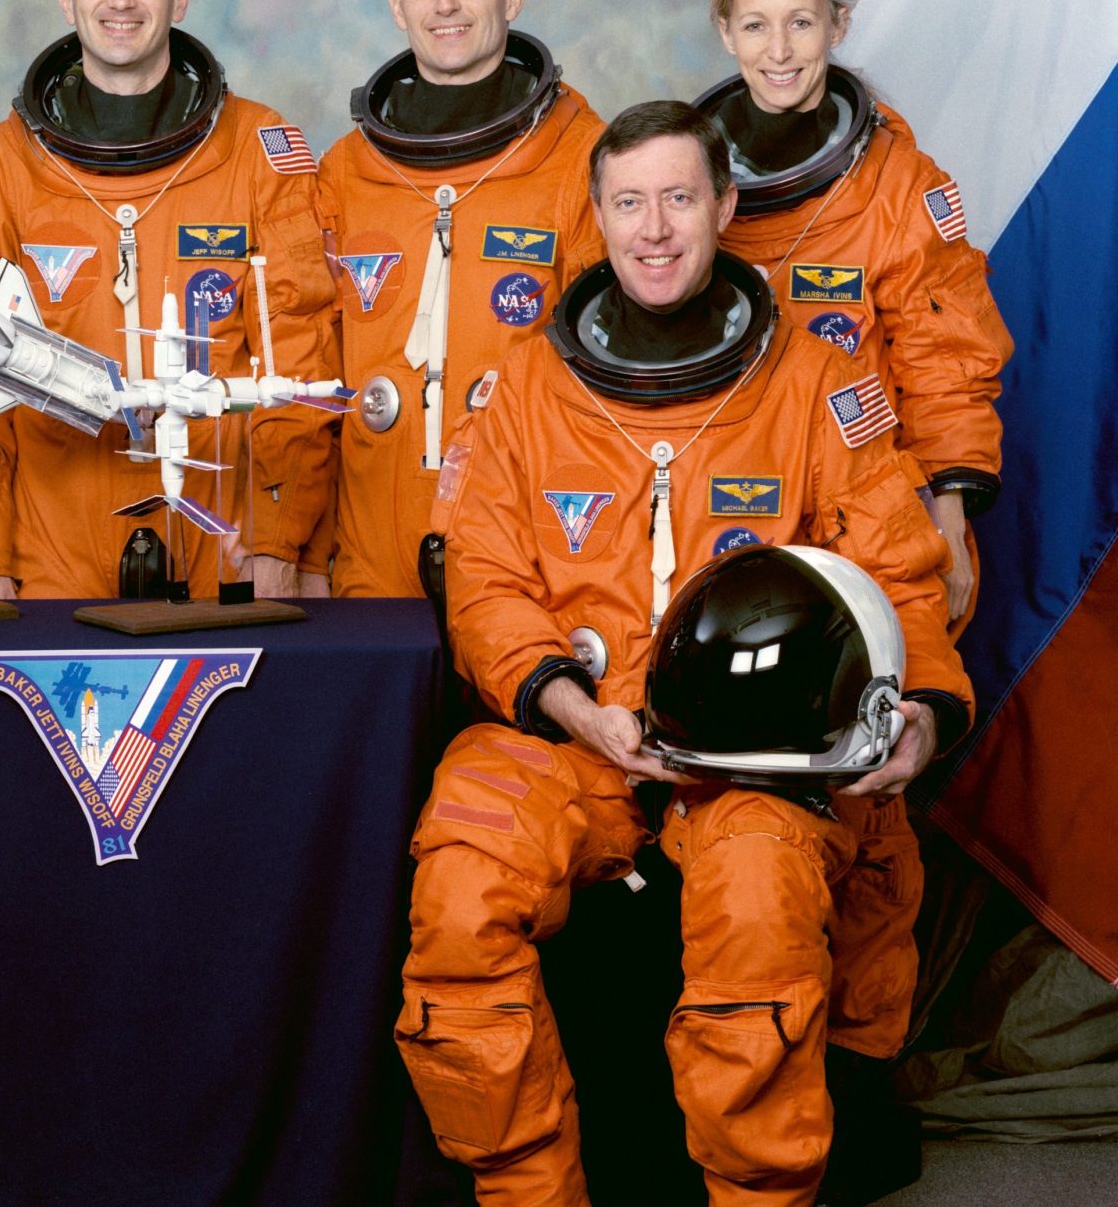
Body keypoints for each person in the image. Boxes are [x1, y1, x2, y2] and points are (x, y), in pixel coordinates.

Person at [396, 103, 972, 1205]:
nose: (652, 229)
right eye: (627, 202)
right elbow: (481, 577)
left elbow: (898, 573)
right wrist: (575, 711)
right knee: (460, 887)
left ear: (723, 206)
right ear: (597, 216)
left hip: (758, 757)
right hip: (573, 729)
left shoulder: (815, 386)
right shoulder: (524, 391)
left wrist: (928, 713)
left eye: (676, 198)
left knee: (755, 906)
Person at [0, 0, 337, 600]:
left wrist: (277, 538)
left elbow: (296, 349)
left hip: (223, 549)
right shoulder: (2, 168)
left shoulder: (256, 153)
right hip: (49, 553)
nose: (121, 0)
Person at [700, 0, 1012, 629]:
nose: (778, 52)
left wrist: (948, 521)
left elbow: (946, 361)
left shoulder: (898, 186)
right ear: (726, 33)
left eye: (801, 23)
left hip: (872, 506)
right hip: (721, 497)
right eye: (755, 25)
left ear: (839, 24)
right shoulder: (687, 181)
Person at [310, 0, 603, 597]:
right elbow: (308, 375)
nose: (445, 3)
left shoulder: (583, 159)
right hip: (370, 567)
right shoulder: (346, 172)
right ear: (396, 6)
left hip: (527, 562)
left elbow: (607, 383)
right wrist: (299, 550)